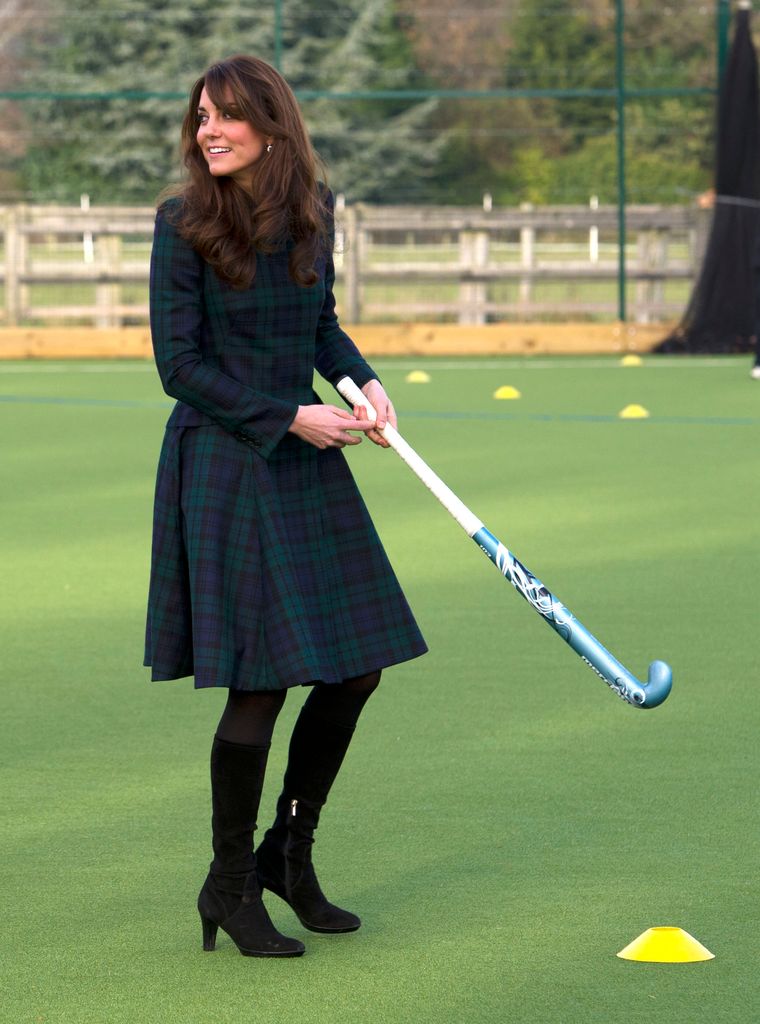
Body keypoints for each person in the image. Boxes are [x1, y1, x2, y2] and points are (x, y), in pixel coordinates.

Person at [144, 55, 427, 959]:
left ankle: (286, 857)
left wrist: (363, 381)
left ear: (272, 125)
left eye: (224, 117)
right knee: (261, 682)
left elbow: (319, 326)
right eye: (199, 118)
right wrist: (288, 415)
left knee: (355, 669)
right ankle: (228, 886)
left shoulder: (313, 207)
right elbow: (178, 369)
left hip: (303, 456)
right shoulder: (181, 222)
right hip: (226, 460)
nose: (207, 132)